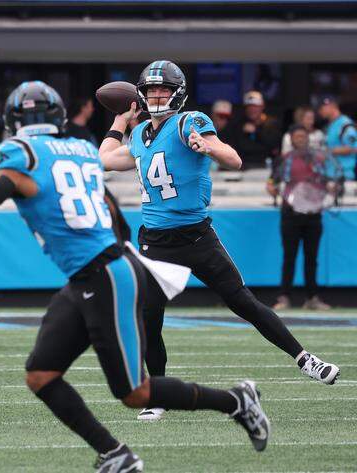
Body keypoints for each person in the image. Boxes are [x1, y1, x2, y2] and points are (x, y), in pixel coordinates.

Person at [0, 81, 271, 473]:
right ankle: (115, 454)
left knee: (134, 391)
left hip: (103, 276)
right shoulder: (81, 152)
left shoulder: (20, 154)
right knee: (41, 374)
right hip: (94, 273)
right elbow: (113, 214)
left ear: (12, 120)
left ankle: (236, 401)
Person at [98, 60, 340, 421]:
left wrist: (208, 148)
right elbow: (104, 159)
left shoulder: (188, 123)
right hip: (156, 240)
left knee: (242, 302)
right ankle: (158, 394)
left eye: (163, 89)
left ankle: (305, 358)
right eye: (150, 90)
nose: (157, 95)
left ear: (177, 92)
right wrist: (121, 119)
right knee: (150, 318)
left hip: (196, 234)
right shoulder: (141, 135)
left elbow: (235, 158)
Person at [268, 125, 335, 311]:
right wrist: (271, 188)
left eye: (303, 136)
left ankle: (312, 298)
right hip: (290, 213)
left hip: (313, 214)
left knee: (311, 258)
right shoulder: (284, 159)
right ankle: (284, 297)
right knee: (289, 256)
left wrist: (331, 187)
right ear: (291, 138)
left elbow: (328, 181)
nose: (300, 139)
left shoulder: (318, 159)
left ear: (308, 138)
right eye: (297, 136)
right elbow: (272, 181)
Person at [226, 90, 281, 169]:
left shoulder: (272, 123)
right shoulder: (239, 124)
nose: (252, 109)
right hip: (244, 167)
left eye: (255, 106)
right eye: (249, 106)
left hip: (266, 166)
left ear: (262, 106)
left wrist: (257, 132)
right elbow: (236, 146)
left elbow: (274, 145)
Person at [317, 95, 357, 180]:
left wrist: (329, 151)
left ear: (332, 106)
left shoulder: (345, 124)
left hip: (344, 175)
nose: (320, 111)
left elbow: (354, 148)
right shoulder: (328, 126)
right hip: (329, 175)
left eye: (322, 108)